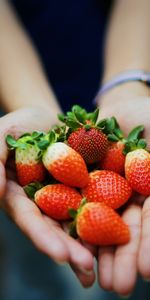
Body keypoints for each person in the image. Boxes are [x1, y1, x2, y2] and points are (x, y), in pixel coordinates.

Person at [0, 0, 150, 298]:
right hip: (14, 86)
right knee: (34, 261)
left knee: (134, 270)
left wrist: (128, 86)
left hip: (122, 53)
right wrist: (30, 104)